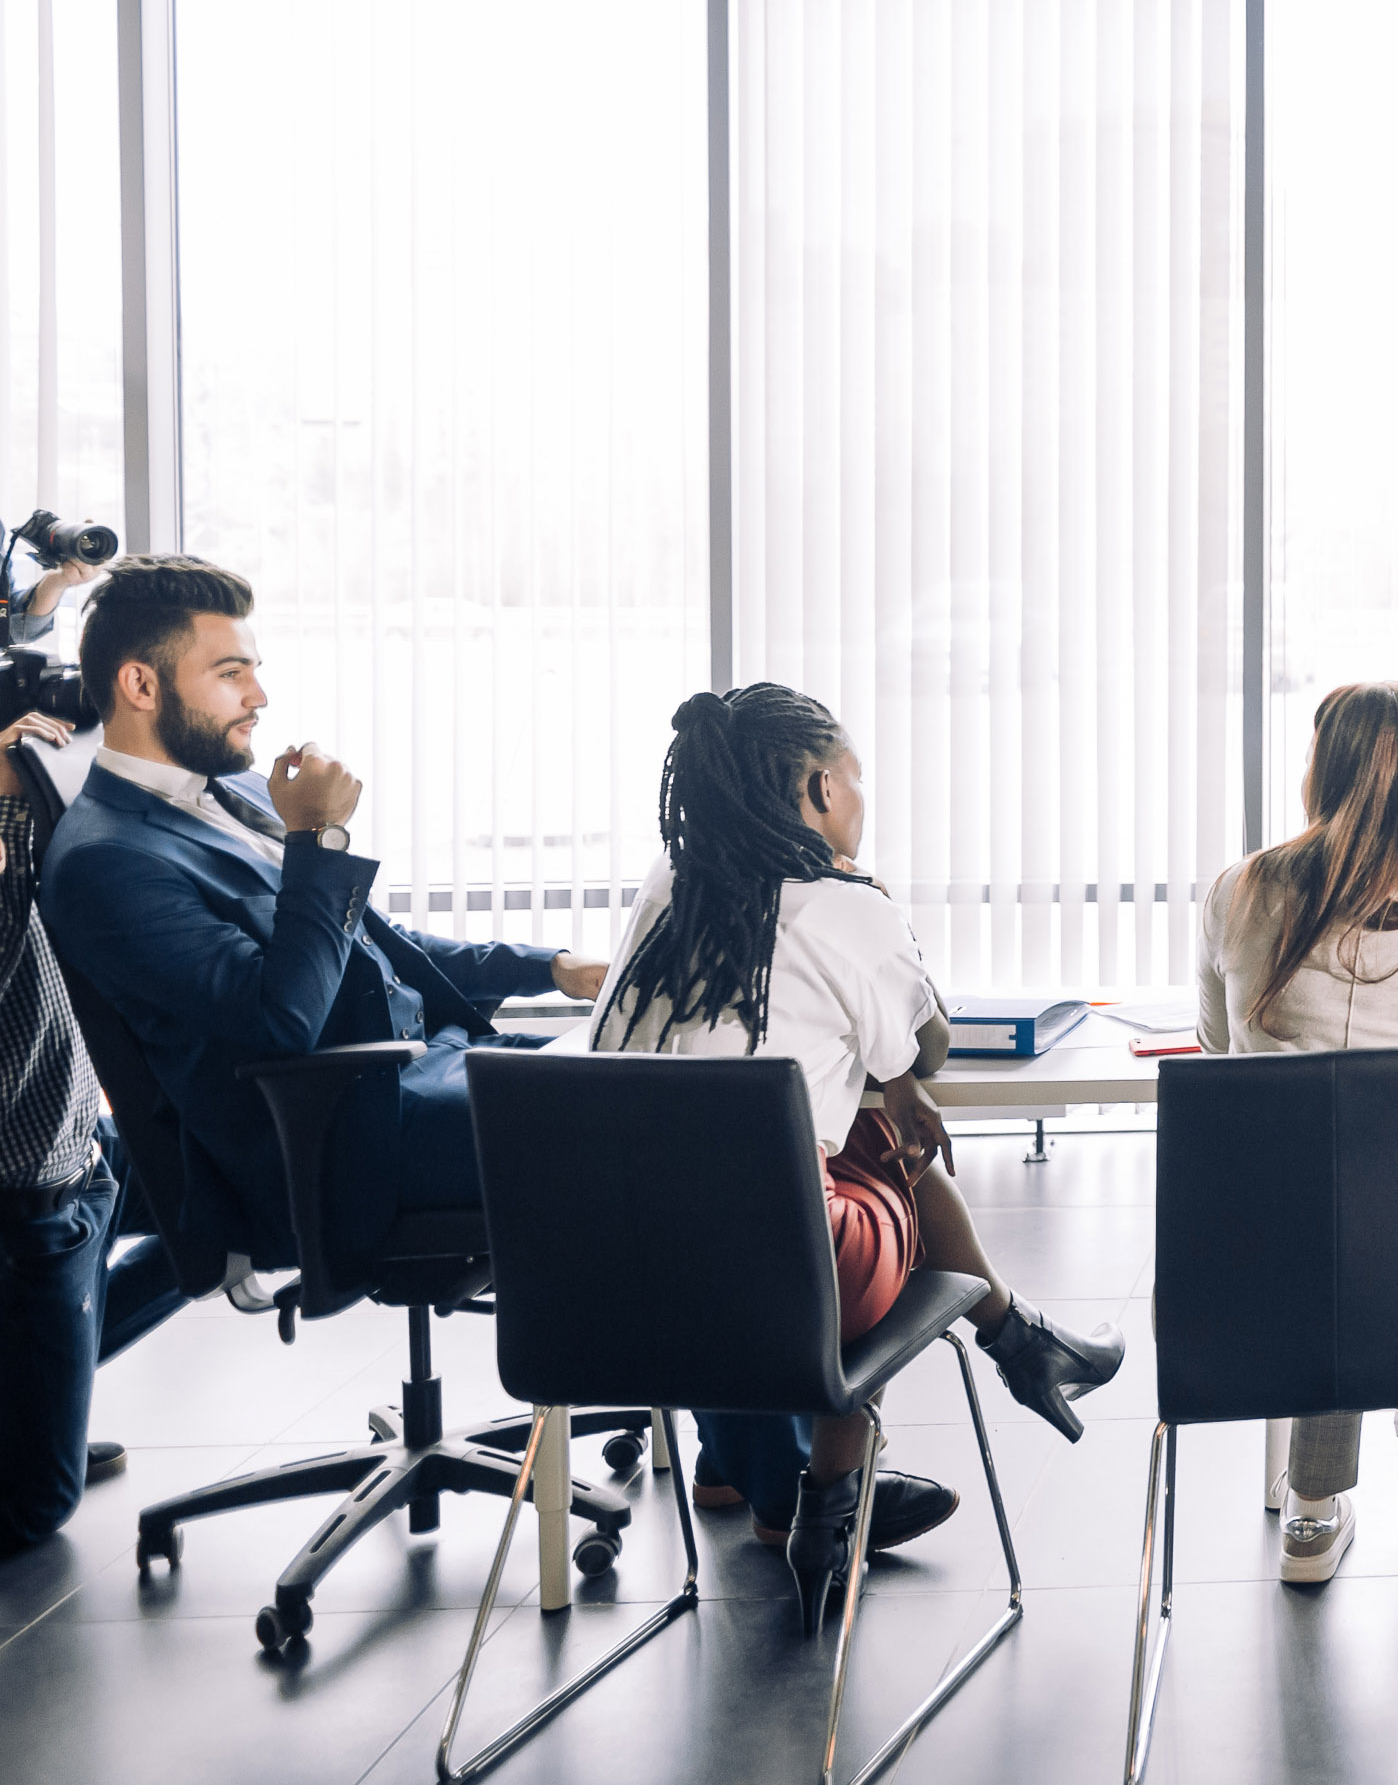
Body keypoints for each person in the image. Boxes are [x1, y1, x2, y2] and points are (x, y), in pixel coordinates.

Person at [590, 685, 1124, 1619]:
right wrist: (882, 916)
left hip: (608, 1285)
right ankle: (840, 1491)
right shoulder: (842, 905)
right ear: (822, 786)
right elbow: (925, 1047)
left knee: (751, 1185)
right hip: (779, 1288)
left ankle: (738, 1463)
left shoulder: (666, 891)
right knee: (873, 1164)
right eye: (860, 781)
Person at [38, 558, 604, 1266]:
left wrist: (549, 969)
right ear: (141, 684)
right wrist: (315, 839)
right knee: (650, 1136)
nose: (260, 696)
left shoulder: (231, 789)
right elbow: (283, 1021)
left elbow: (366, 940)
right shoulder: (107, 861)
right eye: (231, 673)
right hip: (351, 1140)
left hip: (437, 1067)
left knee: (658, 1072)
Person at [1201, 681, 1398, 1585]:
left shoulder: (1237, 891)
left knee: (1317, 1204)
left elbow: (1220, 1061)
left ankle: (1310, 1502)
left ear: (1322, 774)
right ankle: (1317, 1495)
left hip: (1241, 1253)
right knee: (1374, 1204)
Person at [2, 707, 184, 1555]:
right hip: (35, 1205)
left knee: (221, 1199)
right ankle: (36, 1405)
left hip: (83, 1144)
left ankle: (39, 1386)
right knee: (35, 1508)